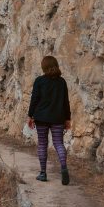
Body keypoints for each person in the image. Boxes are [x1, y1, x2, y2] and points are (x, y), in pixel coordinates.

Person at [27, 55, 71, 185]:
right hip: (58, 118)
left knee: (42, 144)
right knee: (58, 143)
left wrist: (30, 115)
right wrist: (67, 118)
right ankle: (63, 167)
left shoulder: (39, 81)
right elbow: (65, 102)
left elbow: (34, 99)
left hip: (41, 117)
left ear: (43, 67)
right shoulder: (62, 82)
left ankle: (43, 173)